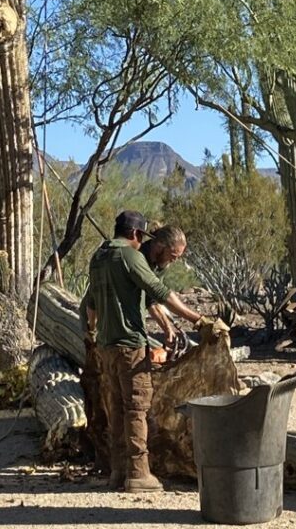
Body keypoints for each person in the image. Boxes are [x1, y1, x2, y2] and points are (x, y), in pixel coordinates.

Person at [84, 210, 204, 493]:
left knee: (115, 408)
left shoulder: (98, 257)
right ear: (137, 235)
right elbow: (159, 291)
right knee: (136, 408)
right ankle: (138, 474)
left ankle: (118, 472)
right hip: (130, 346)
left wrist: (92, 333)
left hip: (106, 346)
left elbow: (91, 304)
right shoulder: (132, 257)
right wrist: (199, 319)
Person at [140, 225, 187, 348]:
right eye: (173, 255)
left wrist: (168, 329)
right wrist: (197, 319)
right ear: (160, 246)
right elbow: (159, 294)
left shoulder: (161, 264)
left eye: (178, 257)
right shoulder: (139, 258)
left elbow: (151, 300)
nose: (174, 260)